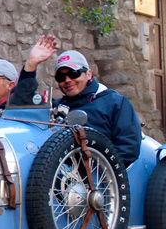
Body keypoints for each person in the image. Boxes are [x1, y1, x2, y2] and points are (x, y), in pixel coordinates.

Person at [10, 35, 143, 167]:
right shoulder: (57, 106)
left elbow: (129, 148)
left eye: (74, 73)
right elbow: (21, 108)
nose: (67, 80)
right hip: (58, 178)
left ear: (88, 74)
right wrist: (31, 64)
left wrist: (96, 172)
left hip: (100, 179)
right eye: (61, 76)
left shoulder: (114, 102)